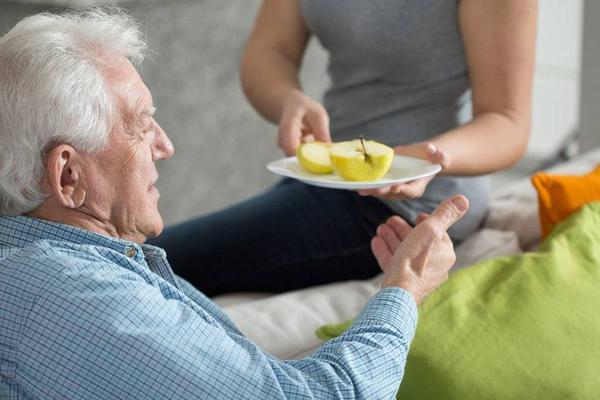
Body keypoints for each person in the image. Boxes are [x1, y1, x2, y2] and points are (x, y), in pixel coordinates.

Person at [0, 9, 470, 399]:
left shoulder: (70, 264)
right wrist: (405, 289)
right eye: (141, 125)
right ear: (68, 174)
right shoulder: (83, 298)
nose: (165, 146)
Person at [150, 0, 537, 297]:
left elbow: (507, 121)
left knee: (150, 262)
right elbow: (272, 49)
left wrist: (429, 159)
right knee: (134, 258)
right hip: (326, 182)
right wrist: (288, 99)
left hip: (412, 207)